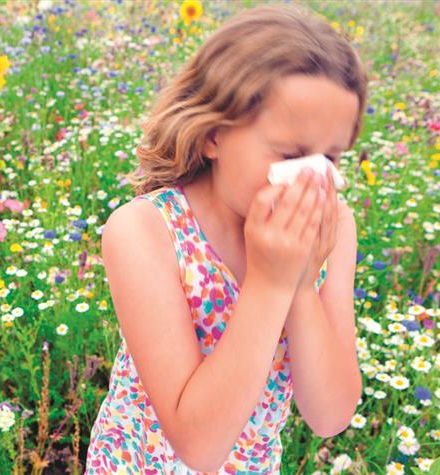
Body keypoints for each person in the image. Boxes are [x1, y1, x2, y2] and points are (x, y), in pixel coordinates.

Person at [85, 3, 367, 473]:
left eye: (331, 159)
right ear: (213, 133)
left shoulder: (333, 228)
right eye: (291, 153)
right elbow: (198, 444)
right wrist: (270, 282)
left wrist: (299, 284)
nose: (312, 179)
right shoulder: (146, 230)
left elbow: (329, 415)